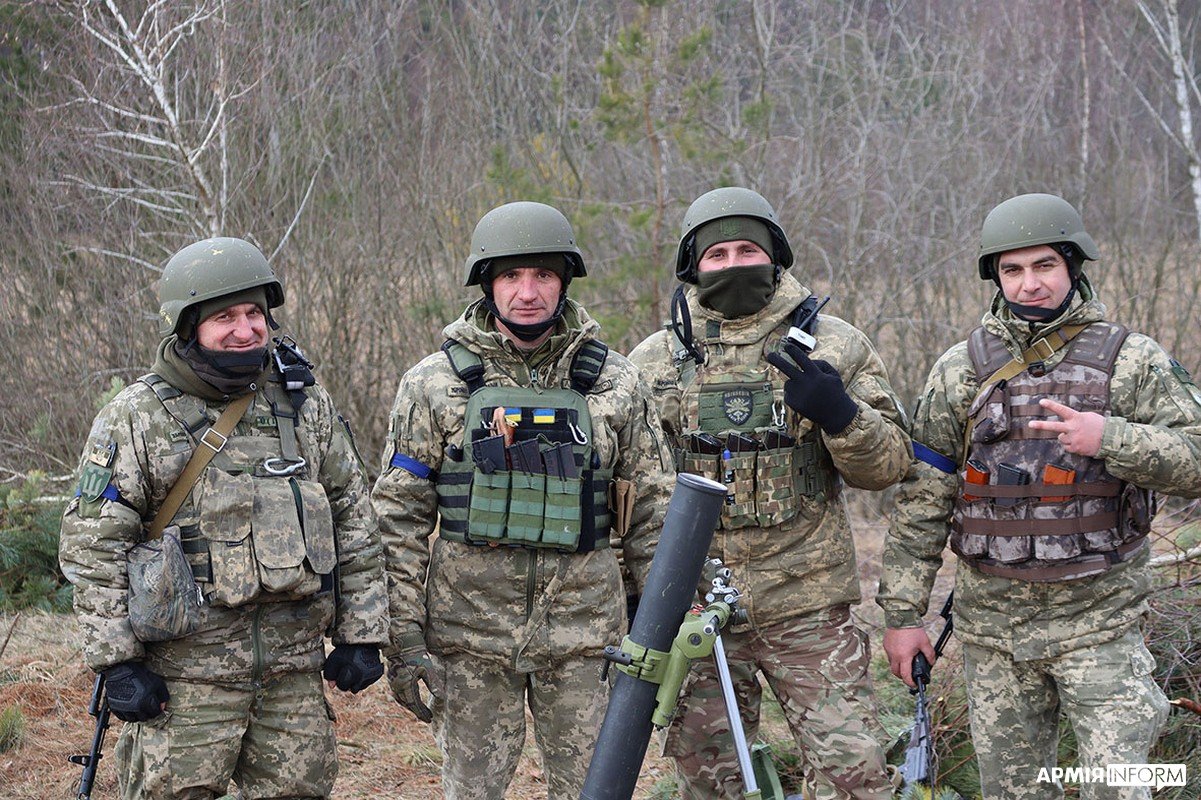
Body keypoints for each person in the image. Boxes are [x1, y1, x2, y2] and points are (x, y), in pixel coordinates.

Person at [878, 193, 1201, 799]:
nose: (1029, 284)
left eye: (1044, 265)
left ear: (1072, 265)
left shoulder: (1132, 360)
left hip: (1100, 627)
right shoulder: (960, 369)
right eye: (1013, 270)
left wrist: (1112, 438)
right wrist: (901, 616)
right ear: (996, 277)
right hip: (994, 636)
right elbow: (924, 499)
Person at [59, 237, 389, 800]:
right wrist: (117, 663)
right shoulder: (138, 416)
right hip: (184, 686)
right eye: (225, 317)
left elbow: (353, 518)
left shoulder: (304, 404)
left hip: (291, 678)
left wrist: (362, 633)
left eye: (254, 314)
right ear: (189, 326)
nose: (245, 330)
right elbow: (93, 545)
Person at [372, 200, 675, 800]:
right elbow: (398, 517)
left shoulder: (617, 381)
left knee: (596, 790)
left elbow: (653, 512)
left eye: (543, 276)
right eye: (511, 275)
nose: (528, 292)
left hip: (587, 634)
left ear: (565, 282)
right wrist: (402, 637)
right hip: (469, 634)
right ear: (487, 283)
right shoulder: (432, 382)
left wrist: (659, 627)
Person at [628, 187, 910, 799]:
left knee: (856, 777)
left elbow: (889, 466)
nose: (734, 264)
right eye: (717, 254)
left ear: (775, 256)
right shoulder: (655, 361)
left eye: (747, 250)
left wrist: (842, 416)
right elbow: (635, 493)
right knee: (710, 784)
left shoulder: (834, 344)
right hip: (697, 613)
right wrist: (639, 597)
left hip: (809, 606)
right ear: (693, 266)